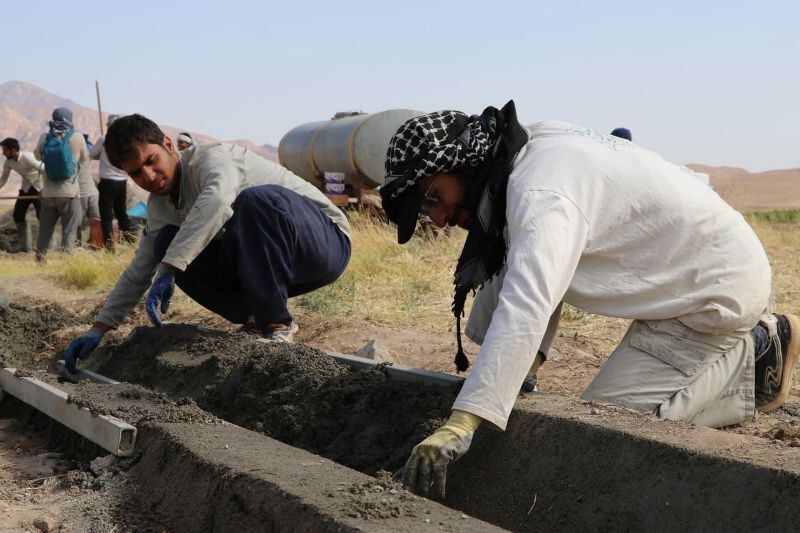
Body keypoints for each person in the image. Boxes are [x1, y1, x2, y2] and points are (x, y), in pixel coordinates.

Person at [379, 101, 798, 499]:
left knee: (607, 430)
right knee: (504, 284)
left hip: (713, 293)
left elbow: (530, 300)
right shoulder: (517, 155)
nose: (437, 218)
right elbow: (535, 270)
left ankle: (754, 354)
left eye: (432, 198)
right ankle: (513, 374)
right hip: (677, 269)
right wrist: (515, 374)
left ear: (460, 163)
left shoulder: (542, 193)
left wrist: (464, 422)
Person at [63, 114, 351, 372]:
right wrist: (99, 328)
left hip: (323, 245)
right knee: (165, 240)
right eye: (136, 173)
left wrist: (170, 266)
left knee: (253, 201)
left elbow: (217, 200)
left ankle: (277, 324)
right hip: (268, 262)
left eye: (151, 161)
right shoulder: (160, 206)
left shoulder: (214, 159)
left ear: (168, 144)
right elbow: (140, 268)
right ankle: (254, 317)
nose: (148, 176)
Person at [34, 107, 89, 261]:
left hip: (49, 194)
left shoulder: (44, 137)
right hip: (70, 193)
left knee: (45, 230)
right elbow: (85, 158)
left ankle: (40, 259)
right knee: (69, 230)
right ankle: (66, 262)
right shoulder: (77, 137)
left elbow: (37, 157)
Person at [90, 114, 135, 251]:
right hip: (122, 182)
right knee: (122, 214)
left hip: (107, 183)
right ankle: (130, 242)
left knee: (106, 216)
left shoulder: (104, 139)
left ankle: (110, 248)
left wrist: (101, 155)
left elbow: (91, 153)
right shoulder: (127, 141)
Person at [0, 137, 43, 252]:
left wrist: (45, 190)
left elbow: (44, 170)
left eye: (5, 150)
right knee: (18, 215)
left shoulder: (28, 157)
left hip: (40, 188)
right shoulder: (8, 162)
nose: (3, 153)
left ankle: (48, 247)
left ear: (13, 150)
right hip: (26, 189)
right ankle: (25, 248)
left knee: (43, 217)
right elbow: (3, 179)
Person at [78, 134, 100, 245]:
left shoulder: (73, 152)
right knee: (95, 220)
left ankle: (83, 243)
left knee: (79, 222)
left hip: (83, 192)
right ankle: (95, 243)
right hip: (87, 192)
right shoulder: (88, 151)